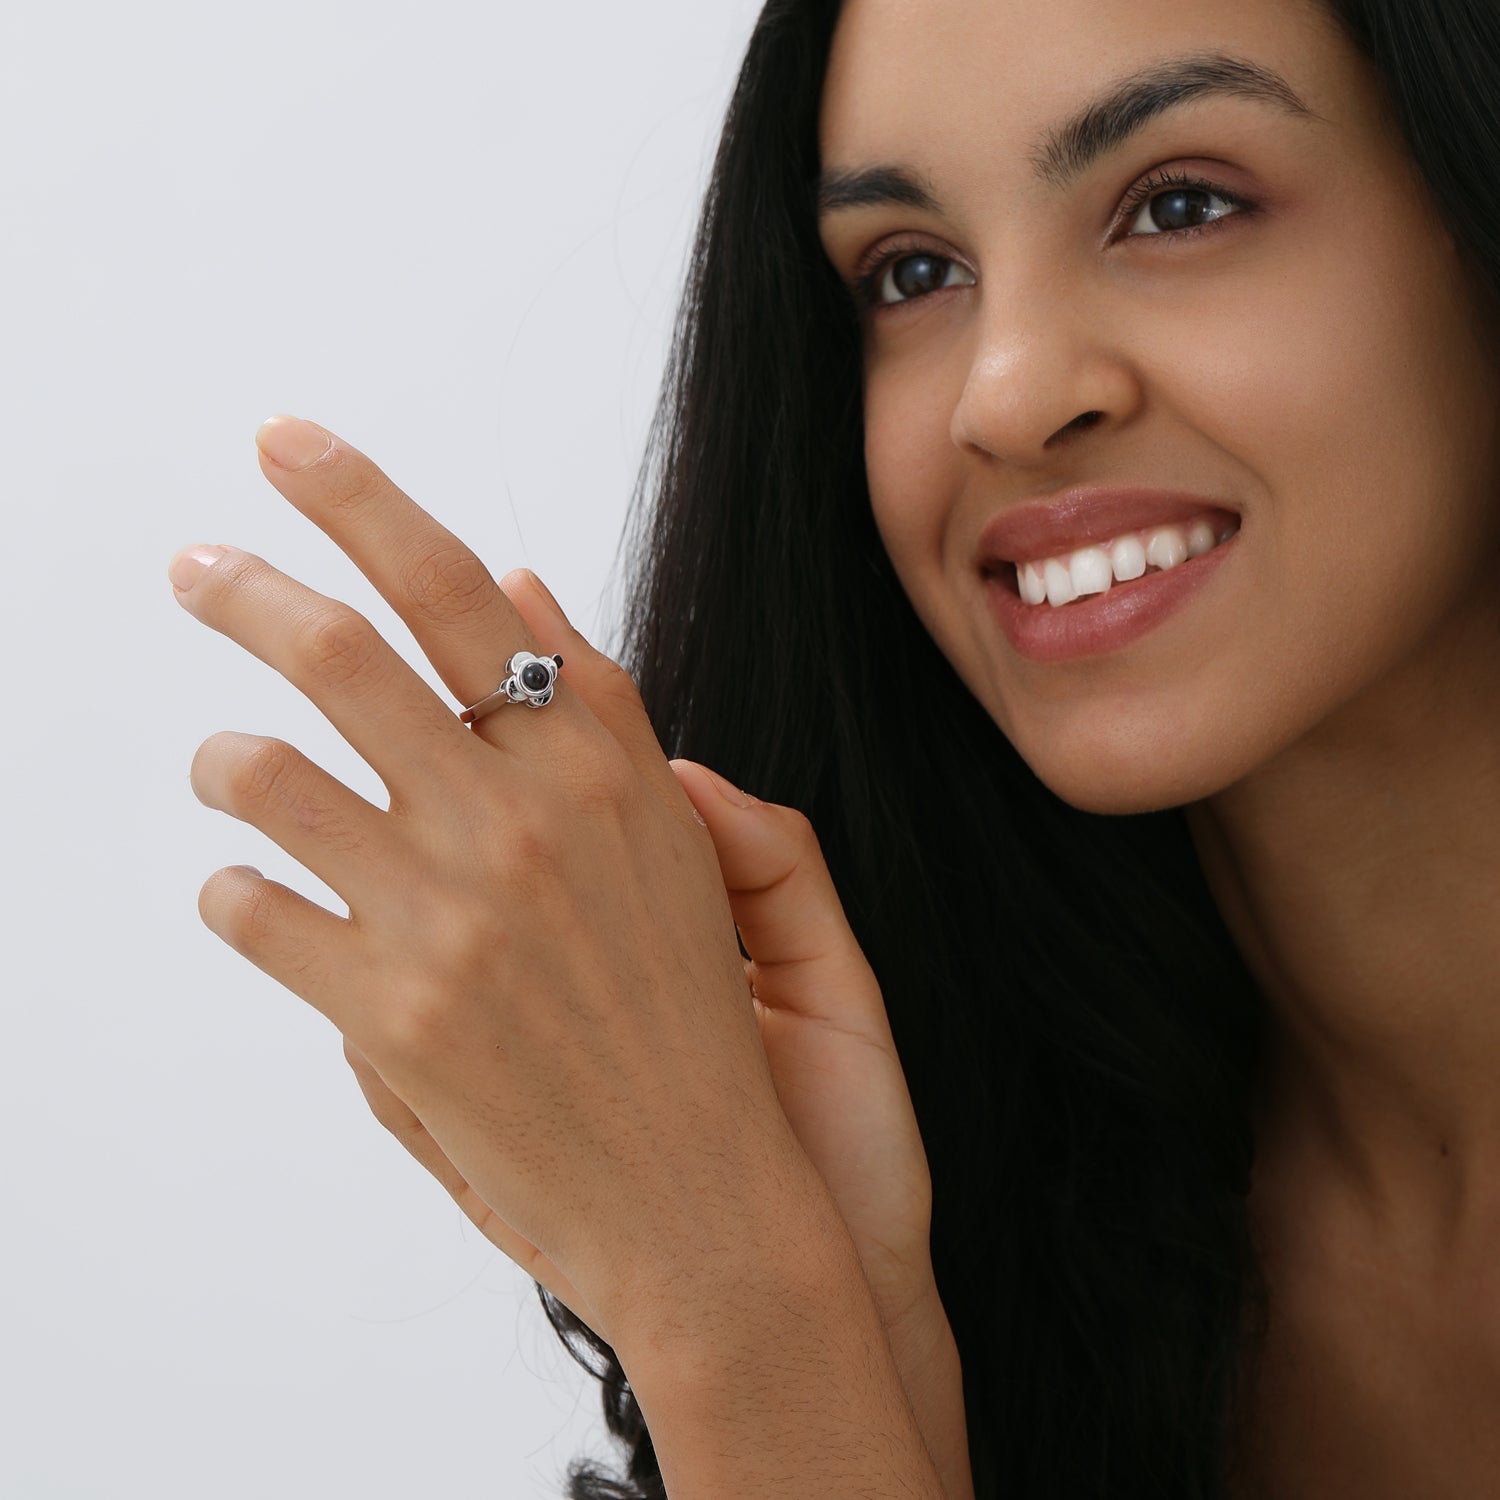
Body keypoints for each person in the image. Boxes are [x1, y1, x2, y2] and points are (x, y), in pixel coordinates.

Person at [168, 0, 1500, 1495]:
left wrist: (737, 1318)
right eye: (911, 273)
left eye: (1179, 205)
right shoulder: (979, 1196)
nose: (1005, 393)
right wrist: (779, 1295)